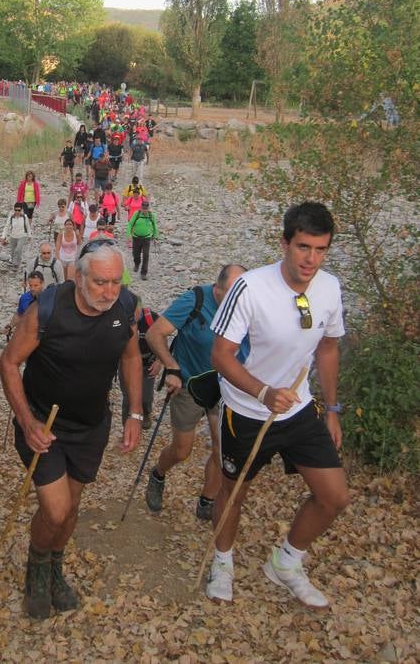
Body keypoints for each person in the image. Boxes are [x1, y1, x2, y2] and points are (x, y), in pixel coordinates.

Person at [205, 202, 350, 608]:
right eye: (304, 247)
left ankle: (285, 563)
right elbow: (221, 355)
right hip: (246, 410)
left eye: (321, 250)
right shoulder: (249, 287)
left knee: (334, 496)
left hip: (299, 408)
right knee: (234, 492)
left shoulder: (330, 287)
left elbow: (328, 347)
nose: (312, 259)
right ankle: (223, 561)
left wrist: (333, 408)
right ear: (284, 243)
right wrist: (263, 392)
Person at [0, 241, 143, 619]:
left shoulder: (124, 306)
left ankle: (54, 567)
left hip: (91, 425)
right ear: (78, 277)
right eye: (99, 282)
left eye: (115, 282)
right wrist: (26, 421)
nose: (109, 292)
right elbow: (10, 362)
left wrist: (135, 412)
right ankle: (37, 569)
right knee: (57, 509)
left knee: (73, 506)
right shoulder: (47, 308)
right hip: (44, 424)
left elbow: (130, 356)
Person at [144, 264, 247, 521]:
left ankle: (207, 499)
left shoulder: (250, 305)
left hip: (228, 387)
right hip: (190, 384)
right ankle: (158, 473)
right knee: (182, 450)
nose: (235, 303)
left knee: (222, 449)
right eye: (229, 295)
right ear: (217, 287)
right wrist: (171, 367)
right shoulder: (196, 299)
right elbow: (156, 333)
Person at [119, 300, 160, 430]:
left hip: (148, 363)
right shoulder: (120, 319)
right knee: (128, 396)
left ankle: (146, 413)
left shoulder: (152, 318)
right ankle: (127, 426)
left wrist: (159, 361)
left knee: (146, 396)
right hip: (126, 363)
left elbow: (162, 340)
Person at [127, 199, 159, 280]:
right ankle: (137, 263)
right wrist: (129, 235)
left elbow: (155, 226)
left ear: (148, 208)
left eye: (146, 208)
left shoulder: (151, 215)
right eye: (143, 208)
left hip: (146, 238)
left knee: (146, 255)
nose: (144, 210)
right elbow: (130, 224)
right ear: (141, 207)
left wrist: (155, 237)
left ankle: (143, 273)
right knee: (135, 254)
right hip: (136, 237)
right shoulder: (136, 214)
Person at [1, 201, 32, 268]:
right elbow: (6, 227)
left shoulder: (24, 217)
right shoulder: (11, 218)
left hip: (22, 235)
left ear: (21, 210)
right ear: (14, 209)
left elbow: (28, 226)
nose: (17, 212)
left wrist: (29, 235)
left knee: (18, 249)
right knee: (12, 251)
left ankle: (16, 264)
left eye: (19, 210)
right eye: (16, 210)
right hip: (13, 236)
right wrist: (3, 237)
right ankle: (14, 262)